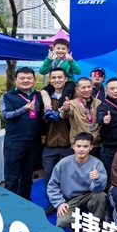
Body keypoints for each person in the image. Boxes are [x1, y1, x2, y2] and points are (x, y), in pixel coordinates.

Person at [0, 67, 44, 200]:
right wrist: (23, 109)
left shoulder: (38, 95)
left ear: (34, 80)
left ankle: (25, 201)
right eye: (22, 78)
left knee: (28, 175)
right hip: (14, 141)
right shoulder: (8, 96)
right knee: (12, 176)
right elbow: (6, 115)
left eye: (29, 78)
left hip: (34, 141)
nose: (26, 80)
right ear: (16, 80)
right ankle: (10, 203)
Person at [47, 133, 107, 229]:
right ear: (73, 146)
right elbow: (52, 185)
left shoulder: (97, 163)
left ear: (91, 147)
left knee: (101, 196)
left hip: (89, 196)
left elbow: (101, 188)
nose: (81, 149)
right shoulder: (63, 163)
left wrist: (98, 178)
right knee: (62, 223)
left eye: (85, 146)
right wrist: (59, 203)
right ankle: (76, 219)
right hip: (70, 199)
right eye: (78, 146)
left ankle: (96, 226)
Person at [41, 68, 73, 215]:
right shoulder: (45, 97)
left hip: (69, 143)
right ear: (50, 79)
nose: (57, 80)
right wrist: (45, 115)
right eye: (54, 78)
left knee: (70, 174)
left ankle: (70, 202)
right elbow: (39, 120)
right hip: (50, 143)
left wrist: (67, 110)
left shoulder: (73, 96)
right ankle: (52, 202)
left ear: (66, 79)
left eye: (60, 77)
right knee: (48, 174)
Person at [39, 38, 81, 120]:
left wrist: (71, 62)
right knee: (43, 91)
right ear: (53, 48)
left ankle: (59, 111)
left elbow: (78, 71)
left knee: (65, 93)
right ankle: (49, 109)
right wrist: (48, 60)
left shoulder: (69, 61)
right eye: (58, 48)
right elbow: (42, 71)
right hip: (55, 83)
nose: (60, 51)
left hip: (69, 82)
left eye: (63, 49)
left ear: (67, 50)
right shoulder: (51, 61)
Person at [60, 77, 102, 158]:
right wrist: (65, 109)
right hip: (79, 145)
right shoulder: (72, 104)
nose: (87, 90)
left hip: (95, 144)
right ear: (77, 89)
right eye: (83, 87)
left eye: (89, 87)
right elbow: (65, 115)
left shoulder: (98, 102)